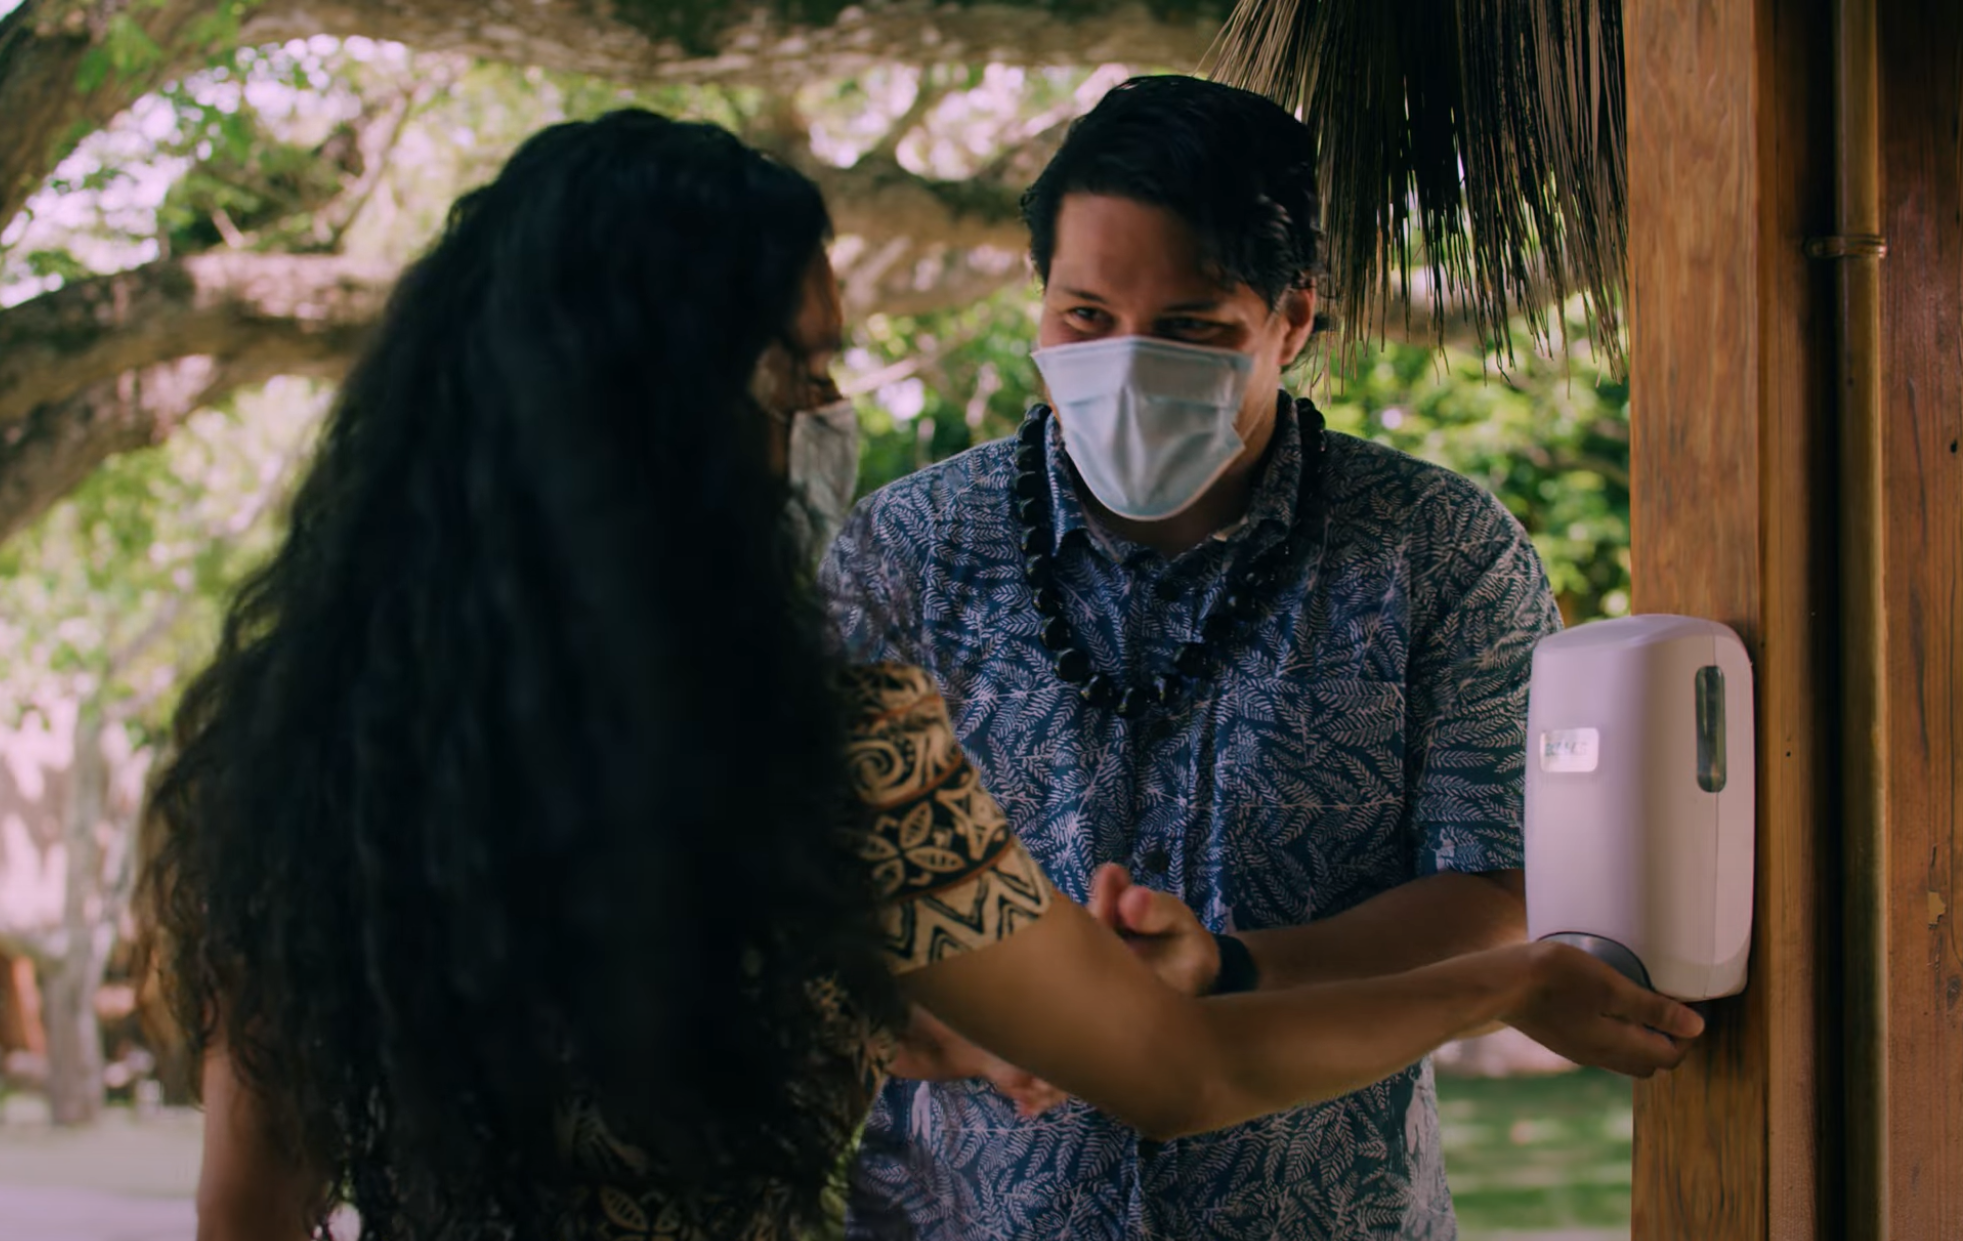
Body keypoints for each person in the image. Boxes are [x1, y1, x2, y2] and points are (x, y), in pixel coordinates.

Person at [145, 109, 1700, 1241]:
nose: (825, 413)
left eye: (1190, 326)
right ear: (686, 410)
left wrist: (846, 996)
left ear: (1295, 323)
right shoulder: (826, 743)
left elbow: (254, 1206)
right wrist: (1512, 983)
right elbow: (1172, 1067)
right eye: (802, 373)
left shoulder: (291, 759)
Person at [820, 75, 1680, 1239]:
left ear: (1294, 320)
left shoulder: (1439, 552)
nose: (1124, 365)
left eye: (1190, 329)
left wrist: (1228, 965)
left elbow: (1498, 884)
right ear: (1039, 302)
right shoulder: (903, 551)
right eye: (1082, 317)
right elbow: (817, 885)